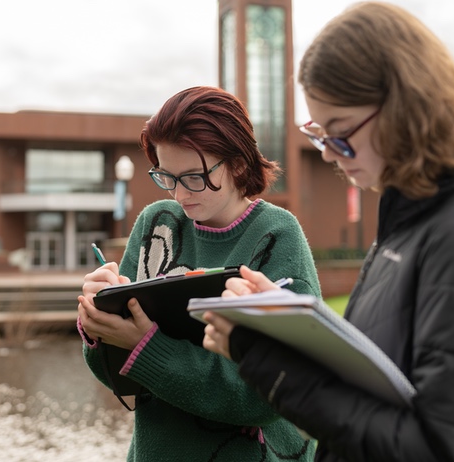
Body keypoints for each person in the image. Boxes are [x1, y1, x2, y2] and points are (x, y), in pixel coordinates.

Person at [201, 1, 454, 461]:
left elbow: (444, 450)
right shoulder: (417, 221)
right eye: (320, 133)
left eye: (339, 132)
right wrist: (285, 326)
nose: (328, 153)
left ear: (405, 107)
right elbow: (386, 384)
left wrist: (268, 364)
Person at [77, 85, 321, 461]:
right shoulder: (155, 224)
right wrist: (99, 327)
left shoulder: (276, 237)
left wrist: (148, 348)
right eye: (166, 176)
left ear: (238, 163)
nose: (180, 194)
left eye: (194, 177)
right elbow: (118, 380)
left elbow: (273, 394)